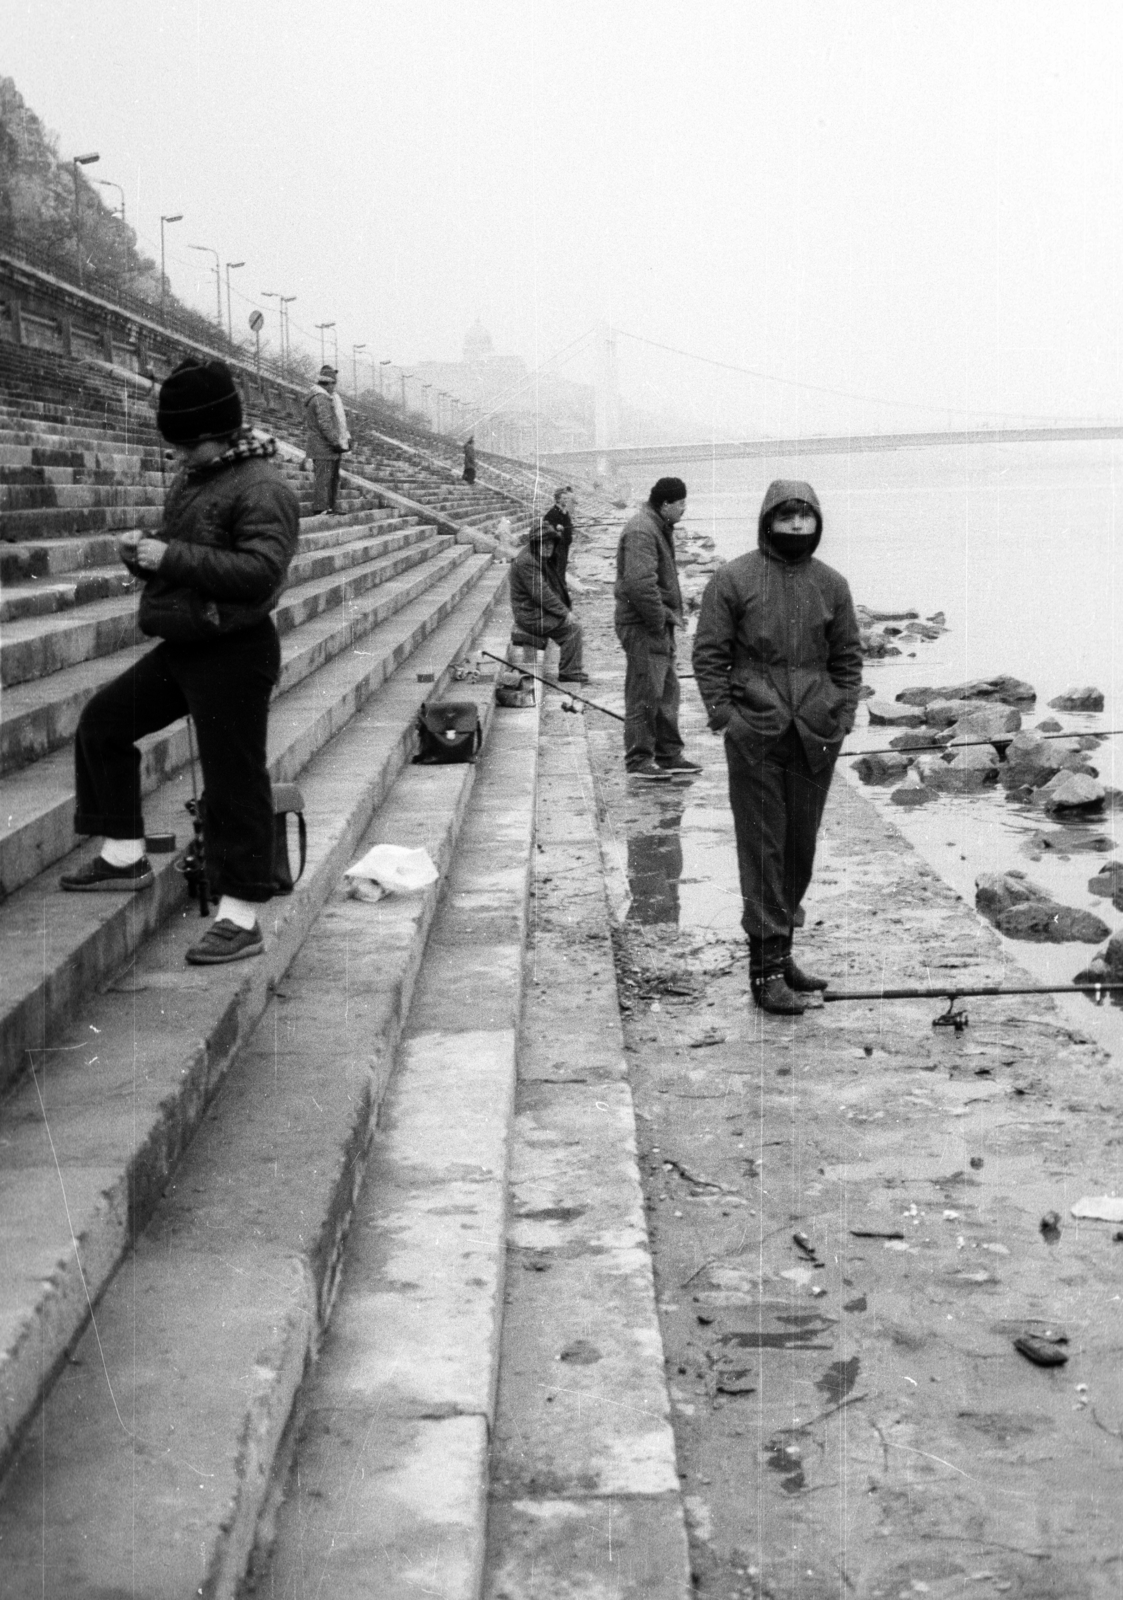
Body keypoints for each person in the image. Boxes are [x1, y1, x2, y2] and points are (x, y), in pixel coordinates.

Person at [61, 358, 301, 967]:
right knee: (104, 722)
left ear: (220, 432)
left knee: (232, 782)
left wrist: (168, 556)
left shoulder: (263, 486)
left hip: (236, 651)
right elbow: (191, 558)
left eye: (189, 443)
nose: (181, 455)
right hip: (187, 644)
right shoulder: (198, 477)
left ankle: (241, 916)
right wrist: (144, 557)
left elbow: (260, 574)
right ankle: (123, 852)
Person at [692, 480, 862, 1014]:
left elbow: (848, 660)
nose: (795, 526)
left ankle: (783, 951)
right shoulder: (733, 579)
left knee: (799, 848)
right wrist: (728, 719)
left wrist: (842, 715)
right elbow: (708, 655)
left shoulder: (831, 584)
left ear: (816, 523)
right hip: (756, 735)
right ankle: (764, 974)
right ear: (767, 520)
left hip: (815, 735)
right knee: (763, 848)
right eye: (785, 517)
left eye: (804, 518)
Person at [614, 476, 701, 780]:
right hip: (643, 625)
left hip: (656, 624)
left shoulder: (656, 526)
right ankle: (639, 761)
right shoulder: (642, 530)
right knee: (644, 692)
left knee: (667, 692)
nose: (684, 509)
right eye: (681, 504)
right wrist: (657, 620)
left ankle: (668, 755)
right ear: (665, 504)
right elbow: (639, 585)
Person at [508, 517, 588, 683]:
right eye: (543, 543)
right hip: (530, 615)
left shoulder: (537, 556)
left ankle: (571, 669)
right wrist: (564, 613)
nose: (548, 547)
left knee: (571, 625)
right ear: (535, 544)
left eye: (551, 543)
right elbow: (542, 594)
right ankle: (569, 672)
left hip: (535, 610)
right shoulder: (527, 562)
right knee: (573, 628)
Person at [304, 364, 348, 514]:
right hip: (323, 446)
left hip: (324, 446)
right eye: (333, 384)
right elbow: (325, 425)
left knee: (329, 478)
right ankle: (321, 507)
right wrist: (336, 442)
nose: (334, 387)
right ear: (327, 383)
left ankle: (328, 506)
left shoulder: (321, 397)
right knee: (324, 479)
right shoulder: (321, 399)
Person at [543, 484, 576, 585]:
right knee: (558, 566)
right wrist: (555, 526)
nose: (566, 500)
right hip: (558, 544)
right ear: (557, 499)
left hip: (565, 543)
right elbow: (546, 523)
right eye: (564, 498)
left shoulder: (564, 511)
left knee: (562, 566)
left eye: (567, 498)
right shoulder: (553, 512)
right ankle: (558, 587)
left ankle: (561, 586)